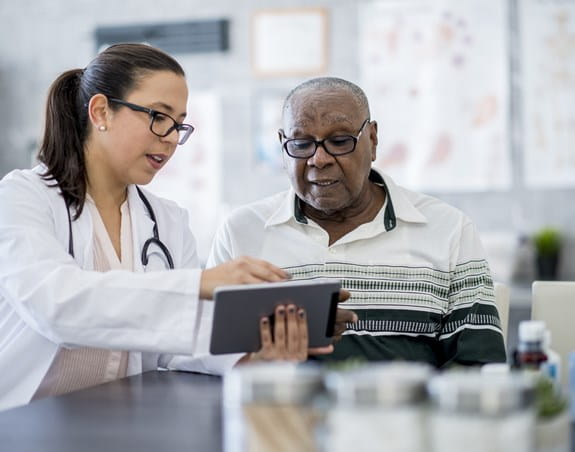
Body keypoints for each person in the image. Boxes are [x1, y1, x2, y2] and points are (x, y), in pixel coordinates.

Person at [0, 45, 352, 411]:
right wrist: (198, 284)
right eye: (158, 116)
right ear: (101, 111)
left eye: (178, 124)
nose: (170, 137)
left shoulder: (167, 221)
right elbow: (56, 305)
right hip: (22, 419)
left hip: (119, 421)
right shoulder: (22, 197)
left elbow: (178, 343)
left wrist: (256, 352)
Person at [205, 77, 507, 369]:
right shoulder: (242, 232)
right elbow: (204, 357)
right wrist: (258, 361)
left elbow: (478, 367)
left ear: (372, 140)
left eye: (339, 141)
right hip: (280, 416)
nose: (319, 159)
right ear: (283, 147)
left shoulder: (448, 229)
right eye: (300, 144)